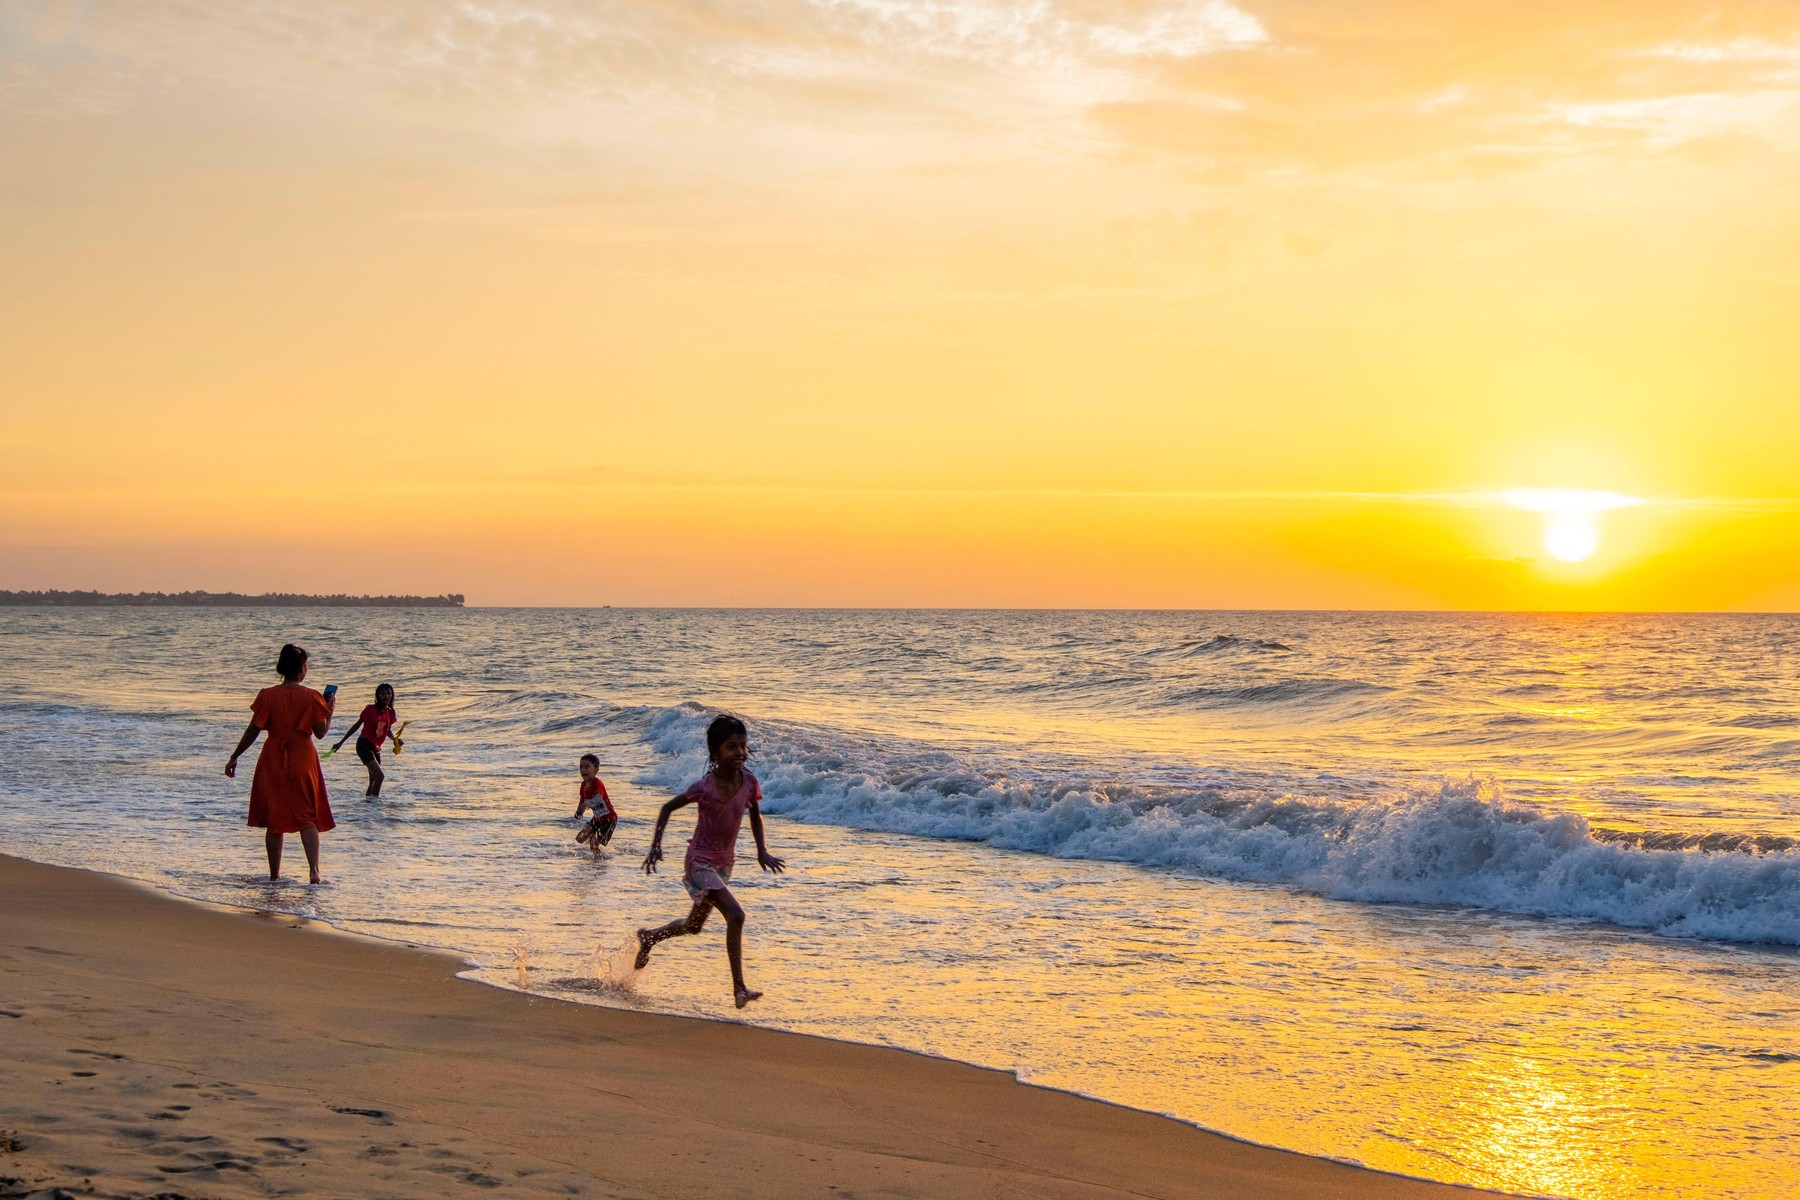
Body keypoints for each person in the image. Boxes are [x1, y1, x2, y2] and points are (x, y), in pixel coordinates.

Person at [636, 714, 785, 1008]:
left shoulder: (749, 782)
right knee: (736, 916)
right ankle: (739, 988)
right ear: (715, 753)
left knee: (693, 926)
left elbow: (754, 813)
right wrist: (655, 847)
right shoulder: (705, 787)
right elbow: (667, 808)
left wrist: (761, 850)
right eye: (732, 747)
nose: (740, 752)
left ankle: (650, 937)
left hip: (723, 865)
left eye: (743, 745)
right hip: (699, 863)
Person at [224, 643, 336, 884]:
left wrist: (235, 756)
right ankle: (314, 871)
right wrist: (330, 711)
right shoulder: (312, 696)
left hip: (273, 755)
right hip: (302, 757)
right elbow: (321, 733)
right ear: (302, 668)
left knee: (275, 821)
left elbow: (253, 729)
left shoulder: (267, 695)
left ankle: (274, 876)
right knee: (308, 817)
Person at [329, 683, 399, 797]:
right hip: (364, 745)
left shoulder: (390, 713)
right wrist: (340, 743)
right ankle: (375, 805)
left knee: (373, 781)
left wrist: (395, 740)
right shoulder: (370, 709)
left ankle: (368, 811)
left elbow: (387, 731)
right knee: (379, 777)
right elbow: (356, 726)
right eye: (383, 693)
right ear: (377, 696)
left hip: (376, 748)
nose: (386, 696)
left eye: (389, 693)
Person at [572, 753, 617, 858]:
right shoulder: (583, 785)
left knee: (594, 844)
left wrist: (588, 804)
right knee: (580, 838)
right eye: (581, 767)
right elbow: (582, 799)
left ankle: (599, 863)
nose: (583, 770)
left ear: (596, 770)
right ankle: (594, 842)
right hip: (597, 818)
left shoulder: (597, 783)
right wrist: (579, 811)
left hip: (609, 819)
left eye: (587, 767)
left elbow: (598, 798)